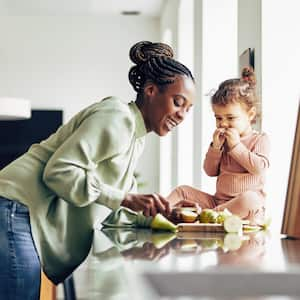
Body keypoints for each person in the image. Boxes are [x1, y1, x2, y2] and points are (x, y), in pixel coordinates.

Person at [0, 40, 196, 298]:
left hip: (19, 212)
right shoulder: (117, 117)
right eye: (178, 102)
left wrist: (165, 216)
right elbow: (59, 172)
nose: (182, 115)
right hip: (15, 206)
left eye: (188, 109)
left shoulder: (136, 139)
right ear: (150, 90)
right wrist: (125, 198)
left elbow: (116, 208)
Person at [167, 67, 270, 225]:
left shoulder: (260, 139)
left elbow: (259, 168)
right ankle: (157, 213)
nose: (223, 123)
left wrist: (236, 146)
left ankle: (206, 218)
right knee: (182, 191)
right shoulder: (222, 141)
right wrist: (215, 148)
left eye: (230, 117)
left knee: (251, 199)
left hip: (243, 208)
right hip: (218, 203)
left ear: (250, 115)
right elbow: (210, 171)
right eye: (218, 118)